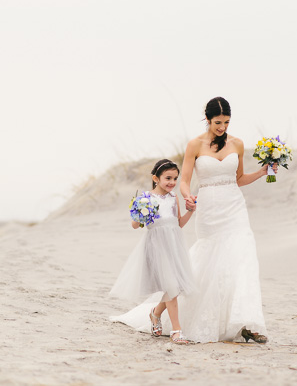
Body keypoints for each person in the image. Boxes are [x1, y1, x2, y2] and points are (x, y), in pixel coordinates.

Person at [178, 96, 277, 343]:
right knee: (208, 261)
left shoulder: (238, 144)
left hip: (234, 207)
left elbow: (239, 178)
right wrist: (188, 196)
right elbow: (184, 180)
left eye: (227, 122)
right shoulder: (195, 145)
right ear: (208, 119)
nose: (222, 127)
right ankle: (167, 309)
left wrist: (262, 172)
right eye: (218, 122)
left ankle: (244, 322)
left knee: (242, 259)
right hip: (209, 208)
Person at [109, 159, 196, 344]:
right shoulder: (146, 198)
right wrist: (143, 212)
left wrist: (190, 211)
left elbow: (178, 223)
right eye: (168, 178)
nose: (172, 182)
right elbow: (134, 225)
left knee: (176, 286)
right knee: (171, 286)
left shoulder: (173, 198)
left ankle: (155, 313)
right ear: (156, 178)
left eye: (175, 178)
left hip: (174, 244)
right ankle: (176, 330)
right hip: (157, 245)